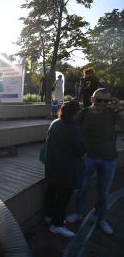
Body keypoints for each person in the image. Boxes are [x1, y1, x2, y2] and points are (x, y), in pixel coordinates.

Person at [66, 89, 124, 235]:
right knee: (82, 188)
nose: (102, 104)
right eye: (99, 100)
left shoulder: (112, 113)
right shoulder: (84, 113)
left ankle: (101, 219)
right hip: (88, 157)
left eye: (106, 101)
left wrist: (119, 109)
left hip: (109, 159)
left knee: (103, 192)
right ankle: (78, 213)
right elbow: (70, 126)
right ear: (92, 99)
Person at [44, 101, 86, 237]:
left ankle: (49, 216)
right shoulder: (72, 128)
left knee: (51, 192)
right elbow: (80, 150)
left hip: (52, 166)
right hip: (67, 170)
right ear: (74, 114)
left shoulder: (54, 123)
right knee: (63, 198)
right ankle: (57, 225)